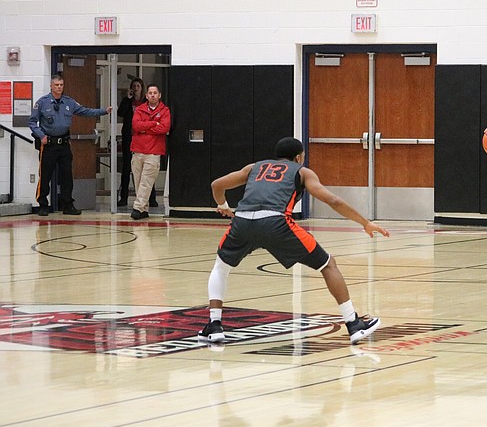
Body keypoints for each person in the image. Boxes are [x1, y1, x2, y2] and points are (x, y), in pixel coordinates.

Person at [198, 137, 389, 345]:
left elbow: (216, 185)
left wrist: (224, 206)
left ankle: (214, 326)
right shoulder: (302, 172)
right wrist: (364, 222)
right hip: (276, 222)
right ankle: (353, 323)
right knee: (327, 264)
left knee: (221, 267)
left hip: (242, 221)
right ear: (299, 157)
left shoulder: (254, 167)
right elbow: (332, 200)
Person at [29, 74, 112, 216]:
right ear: (51, 86)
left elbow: (85, 111)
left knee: (67, 175)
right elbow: (32, 122)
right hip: (48, 144)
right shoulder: (42, 102)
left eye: (61, 85)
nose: (59, 87)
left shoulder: (69, 102)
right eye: (56, 85)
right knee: (45, 175)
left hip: (64, 144)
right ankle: (43, 204)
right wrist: (41, 135)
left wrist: (104, 111)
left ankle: (67, 204)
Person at [130, 83, 171, 220]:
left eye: (155, 93)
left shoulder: (165, 111)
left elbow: (164, 128)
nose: (153, 95)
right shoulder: (140, 110)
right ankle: (143, 209)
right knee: (138, 181)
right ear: (146, 96)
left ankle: (137, 207)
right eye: (150, 93)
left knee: (146, 181)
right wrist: (154, 124)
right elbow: (136, 126)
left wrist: (144, 128)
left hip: (153, 152)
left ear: (159, 95)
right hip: (137, 150)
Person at [117, 78, 156, 208]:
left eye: (138, 86)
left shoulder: (146, 102)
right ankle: (123, 198)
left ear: (142, 87)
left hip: (144, 138)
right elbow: (120, 113)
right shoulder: (128, 101)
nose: (136, 88)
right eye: (134, 86)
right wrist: (127, 99)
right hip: (130, 137)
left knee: (147, 169)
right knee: (127, 168)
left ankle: (151, 198)